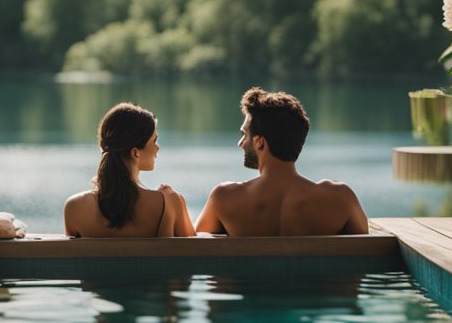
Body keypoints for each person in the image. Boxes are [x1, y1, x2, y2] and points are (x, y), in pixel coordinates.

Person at [196, 86, 368, 237]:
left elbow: (195, 248)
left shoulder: (224, 198)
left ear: (259, 142)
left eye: (244, 135)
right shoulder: (341, 198)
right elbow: (367, 249)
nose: (240, 143)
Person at [64, 102, 195, 237]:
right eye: (154, 140)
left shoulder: (75, 207)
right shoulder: (168, 203)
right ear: (135, 153)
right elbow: (196, 252)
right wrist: (173, 199)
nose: (158, 147)